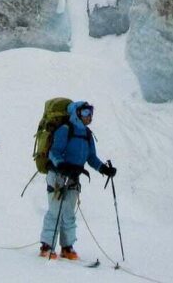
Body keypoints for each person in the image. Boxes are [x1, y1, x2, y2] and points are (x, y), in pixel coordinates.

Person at [38, 100, 118, 260]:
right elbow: (54, 152)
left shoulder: (87, 135)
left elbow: (91, 157)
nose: (89, 116)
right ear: (77, 113)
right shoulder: (65, 129)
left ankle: (67, 247)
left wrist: (103, 169)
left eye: (91, 113)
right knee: (55, 211)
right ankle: (46, 247)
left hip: (73, 177)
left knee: (68, 213)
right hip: (57, 176)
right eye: (85, 112)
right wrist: (62, 166)